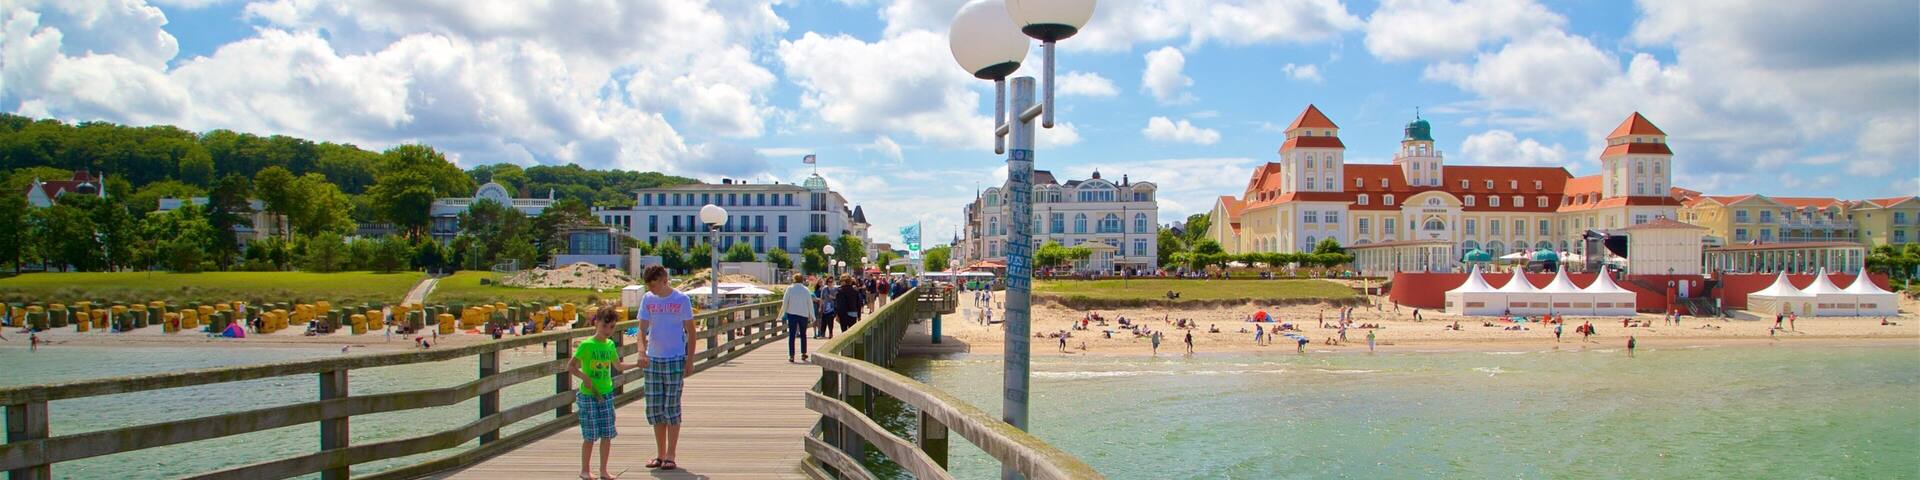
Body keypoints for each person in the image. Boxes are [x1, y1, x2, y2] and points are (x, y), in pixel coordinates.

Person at [569, 306, 640, 480]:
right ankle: (585, 469)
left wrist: (637, 364)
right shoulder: (586, 345)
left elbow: (618, 366)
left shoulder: (609, 345)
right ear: (597, 323)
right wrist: (584, 377)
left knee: (607, 433)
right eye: (605, 326)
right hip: (588, 394)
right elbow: (571, 366)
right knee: (590, 434)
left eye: (612, 327)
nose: (608, 330)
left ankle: (603, 470)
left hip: (606, 393)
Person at [637, 265, 697, 471]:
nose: (652, 289)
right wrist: (641, 351)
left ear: (664, 280)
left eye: (654, 284)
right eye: (649, 285)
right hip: (653, 358)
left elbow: (691, 330)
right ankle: (660, 453)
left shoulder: (681, 300)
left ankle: (671, 454)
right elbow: (642, 328)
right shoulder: (647, 299)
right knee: (655, 408)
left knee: (671, 407)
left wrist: (689, 360)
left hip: (674, 357)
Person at [782, 274, 815, 363]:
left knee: (792, 335)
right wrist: (812, 315)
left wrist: (782, 313)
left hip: (792, 313)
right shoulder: (806, 290)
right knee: (803, 334)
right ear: (802, 280)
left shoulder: (790, 289)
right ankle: (804, 353)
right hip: (803, 314)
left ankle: (791, 355)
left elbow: (785, 302)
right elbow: (810, 303)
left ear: (794, 279)